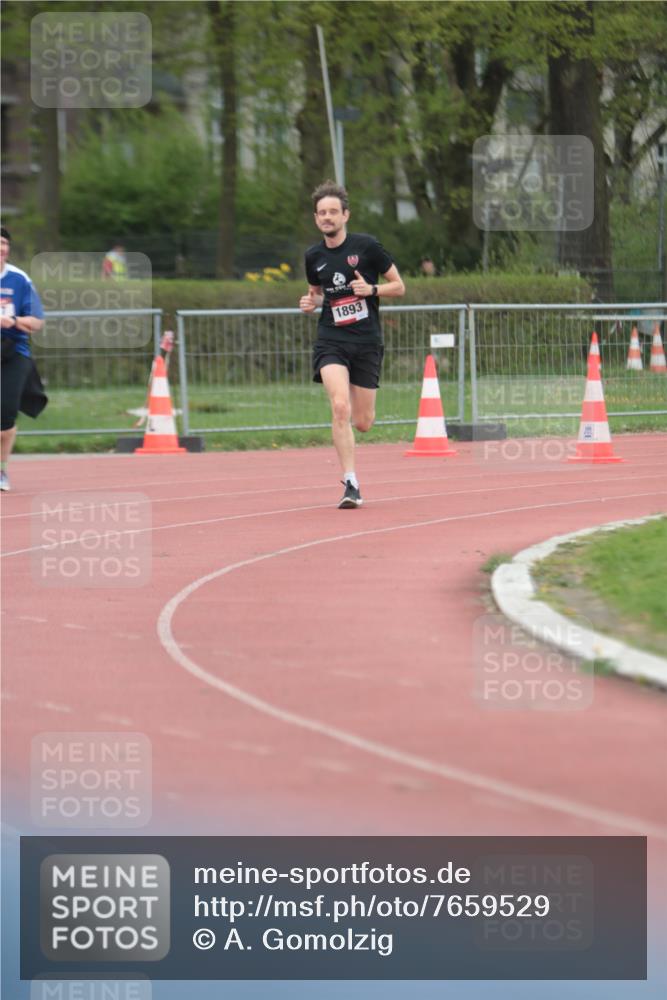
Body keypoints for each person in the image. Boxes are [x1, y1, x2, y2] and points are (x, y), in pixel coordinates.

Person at [299, 181, 405, 508]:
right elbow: (316, 293)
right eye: (321, 213)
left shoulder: (368, 247)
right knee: (339, 406)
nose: (327, 217)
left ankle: (352, 474)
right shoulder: (313, 256)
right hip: (331, 340)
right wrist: (311, 302)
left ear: (346, 214)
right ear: (316, 219)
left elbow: (399, 287)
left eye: (333, 212)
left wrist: (371, 291)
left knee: (363, 422)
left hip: (366, 341)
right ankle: (351, 482)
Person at [1, 227, 47, 492]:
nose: (1, 248)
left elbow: (37, 322)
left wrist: (14, 321)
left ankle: (2, 470)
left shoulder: (19, 280)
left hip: (13, 352)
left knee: (5, 418)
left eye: (4, 243)